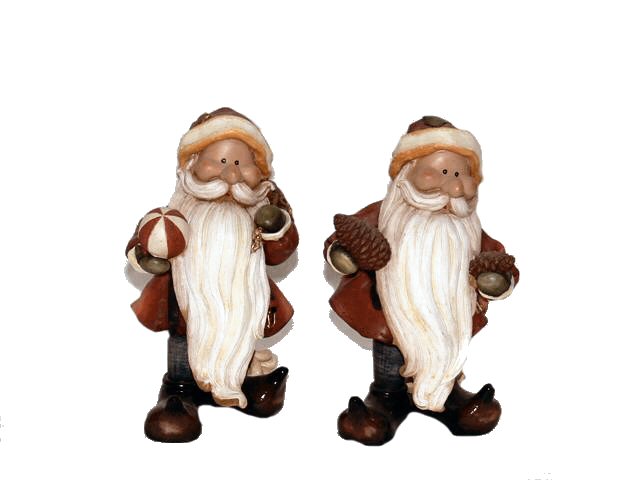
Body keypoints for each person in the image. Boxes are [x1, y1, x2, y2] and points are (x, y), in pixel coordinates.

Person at [324, 116, 519, 445]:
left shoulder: (468, 229)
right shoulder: (385, 215)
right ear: (406, 174)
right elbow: (345, 241)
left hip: (447, 319)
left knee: (445, 353)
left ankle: (445, 392)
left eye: (460, 174)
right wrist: (349, 253)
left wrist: (496, 279)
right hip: (390, 315)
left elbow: (497, 260)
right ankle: (385, 399)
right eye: (440, 172)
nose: (452, 186)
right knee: (390, 363)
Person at [126, 107, 298, 442]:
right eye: (219, 161)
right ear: (191, 165)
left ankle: (238, 382)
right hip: (185, 303)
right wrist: (147, 254)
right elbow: (145, 239)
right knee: (182, 343)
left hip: (242, 305)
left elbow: (281, 252)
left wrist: (277, 226)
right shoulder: (177, 213)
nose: (231, 174)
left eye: (242, 163)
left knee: (241, 337)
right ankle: (179, 392)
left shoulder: (262, 211)